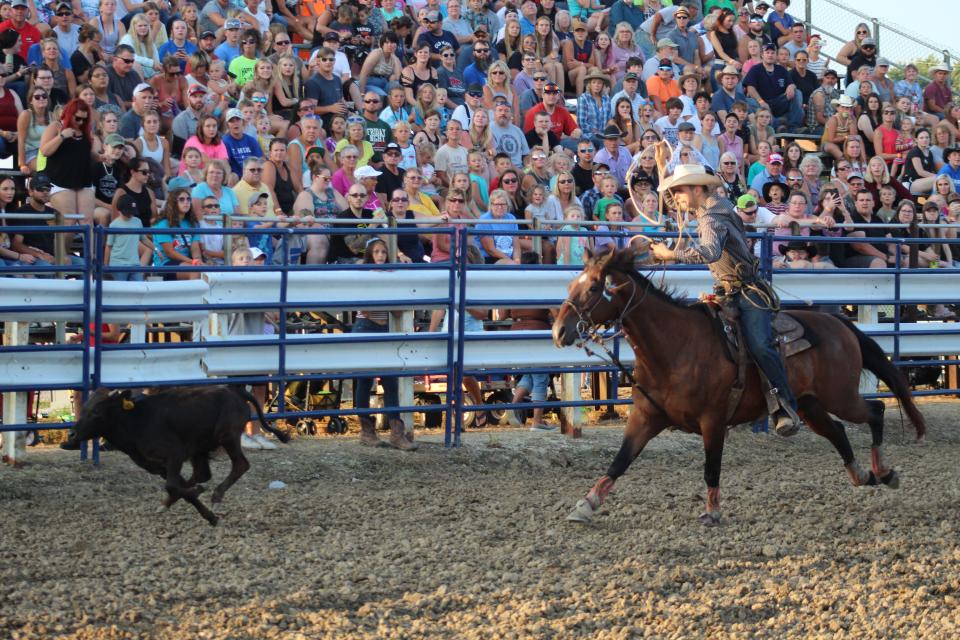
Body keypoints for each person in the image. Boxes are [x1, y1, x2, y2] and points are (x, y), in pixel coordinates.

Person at [648, 161, 801, 436]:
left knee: (760, 344)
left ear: (696, 189)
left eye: (681, 191)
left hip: (746, 291)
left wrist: (671, 255)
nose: (678, 198)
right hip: (727, 289)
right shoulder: (715, 206)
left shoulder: (711, 217)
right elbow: (677, 201)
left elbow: (709, 252)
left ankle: (784, 404)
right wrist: (665, 175)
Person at [350, 236, 418, 450]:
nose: (380, 256)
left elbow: (396, 310)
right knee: (365, 380)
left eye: (383, 252)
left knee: (390, 380)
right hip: (367, 326)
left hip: (381, 327)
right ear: (371, 255)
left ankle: (394, 432)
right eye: (377, 252)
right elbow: (366, 308)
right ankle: (367, 430)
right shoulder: (367, 275)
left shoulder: (388, 276)